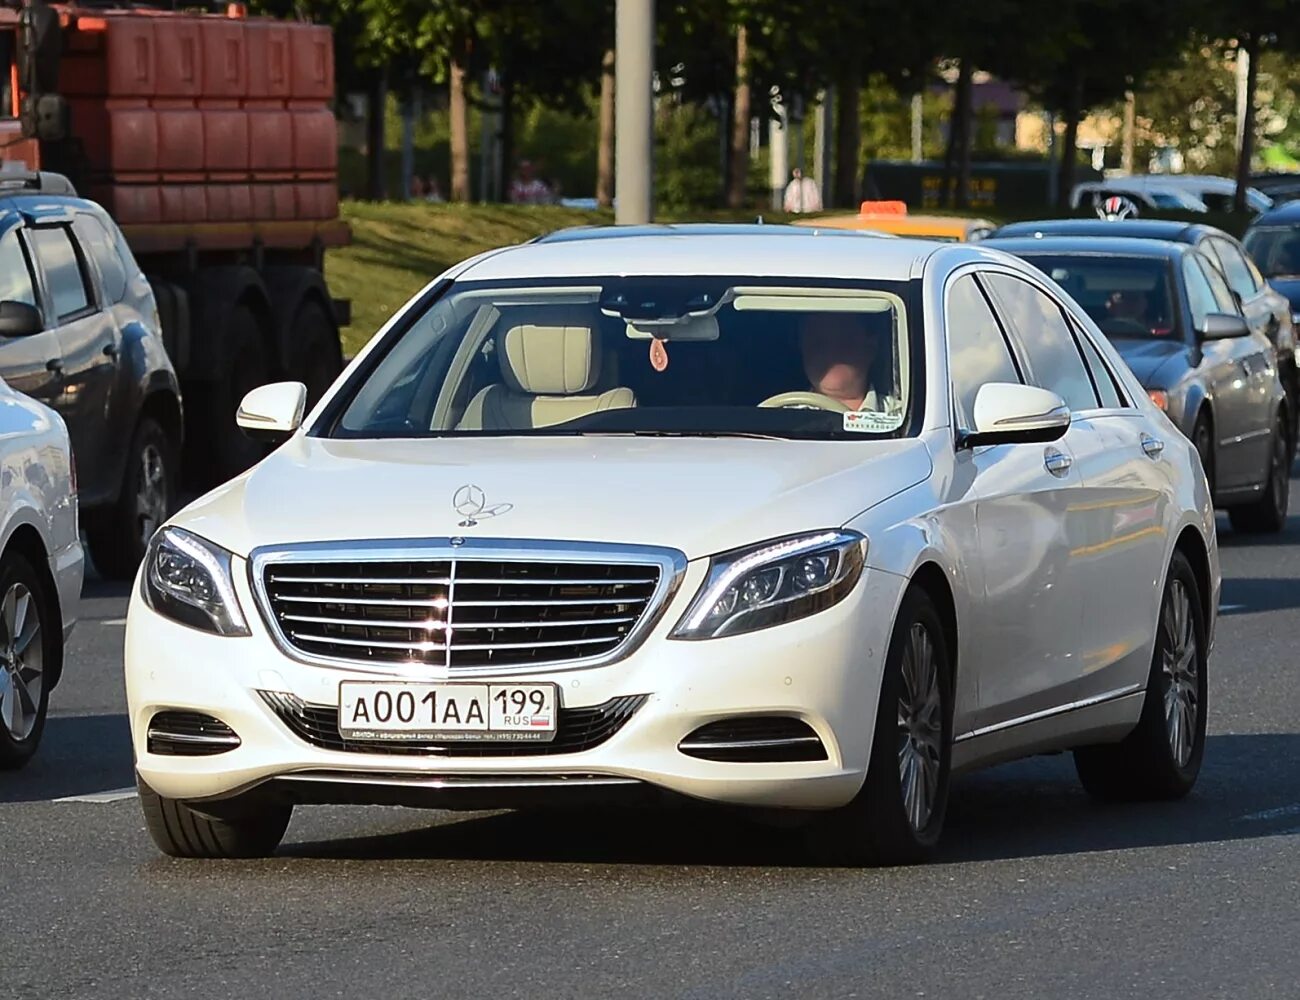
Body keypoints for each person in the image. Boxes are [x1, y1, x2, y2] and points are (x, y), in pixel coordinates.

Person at [798, 311, 900, 413]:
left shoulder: (904, 416)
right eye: (818, 342)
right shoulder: (784, 418)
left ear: (870, 347)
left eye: (842, 337)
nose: (830, 352)